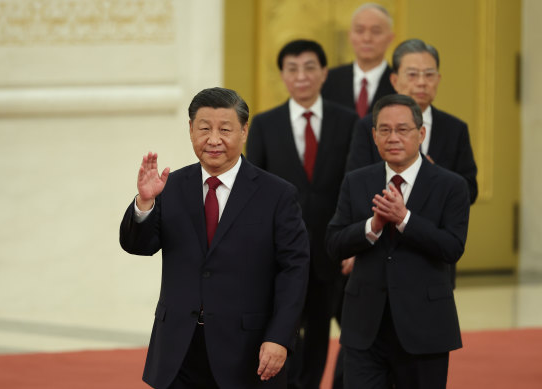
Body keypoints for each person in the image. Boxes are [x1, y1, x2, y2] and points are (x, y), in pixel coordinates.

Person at [120, 87, 310, 389]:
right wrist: (145, 203)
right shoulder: (170, 186)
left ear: (244, 131)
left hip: (247, 349)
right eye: (204, 129)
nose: (213, 139)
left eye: (225, 129)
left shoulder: (277, 194)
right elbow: (139, 246)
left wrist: (279, 337)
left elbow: (294, 272)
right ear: (191, 130)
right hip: (179, 347)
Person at [326, 94, 470, 389]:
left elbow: (452, 247)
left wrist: (405, 219)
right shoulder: (356, 181)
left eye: (403, 130)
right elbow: (334, 243)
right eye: (385, 130)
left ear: (421, 134)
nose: (393, 137)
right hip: (365, 326)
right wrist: (372, 226)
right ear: (374, 136)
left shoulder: (451, 185)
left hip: (424, 326)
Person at [246, 39, 359, 389]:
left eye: (310, 67)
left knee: (321, 334)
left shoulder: (349, 121)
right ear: (282, 75)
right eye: (292, 69)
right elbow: (255, 191)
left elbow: (354, 185)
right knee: (283, 330)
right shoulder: (264, 124)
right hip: (282, 252)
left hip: (331, 249)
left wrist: (353, 242)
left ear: (324, 73)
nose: (301, 76)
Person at [347, 38, 478, 204]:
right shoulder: (368, 126)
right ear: (394, 80)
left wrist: (436, 175)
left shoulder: (455, 129)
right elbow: (355, 184)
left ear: (438, 79)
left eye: (429, 75)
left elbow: (470, 191)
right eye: (412, 75)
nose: (422, 83)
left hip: (434, 228)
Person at [321, 3, 396, 118]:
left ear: (390, 38)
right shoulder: (328, 80)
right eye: (360, 31)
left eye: (376, 31)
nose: (367, 38)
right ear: (349, 35)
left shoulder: (399, 84)